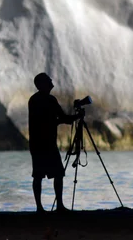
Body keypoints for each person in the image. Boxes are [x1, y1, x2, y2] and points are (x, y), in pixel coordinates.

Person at [28, 72, 84, 213]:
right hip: (42, 143)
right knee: (48, 174)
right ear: (41, 84)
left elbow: (60, 118)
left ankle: (45, 207)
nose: (51, 81)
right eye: (48, 80)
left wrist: (73, 117)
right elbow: (55, 119)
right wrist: (75, 117)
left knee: (45, 174)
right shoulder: (43, 100)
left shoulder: (39, 100)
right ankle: (52, 207)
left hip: (40, 144)